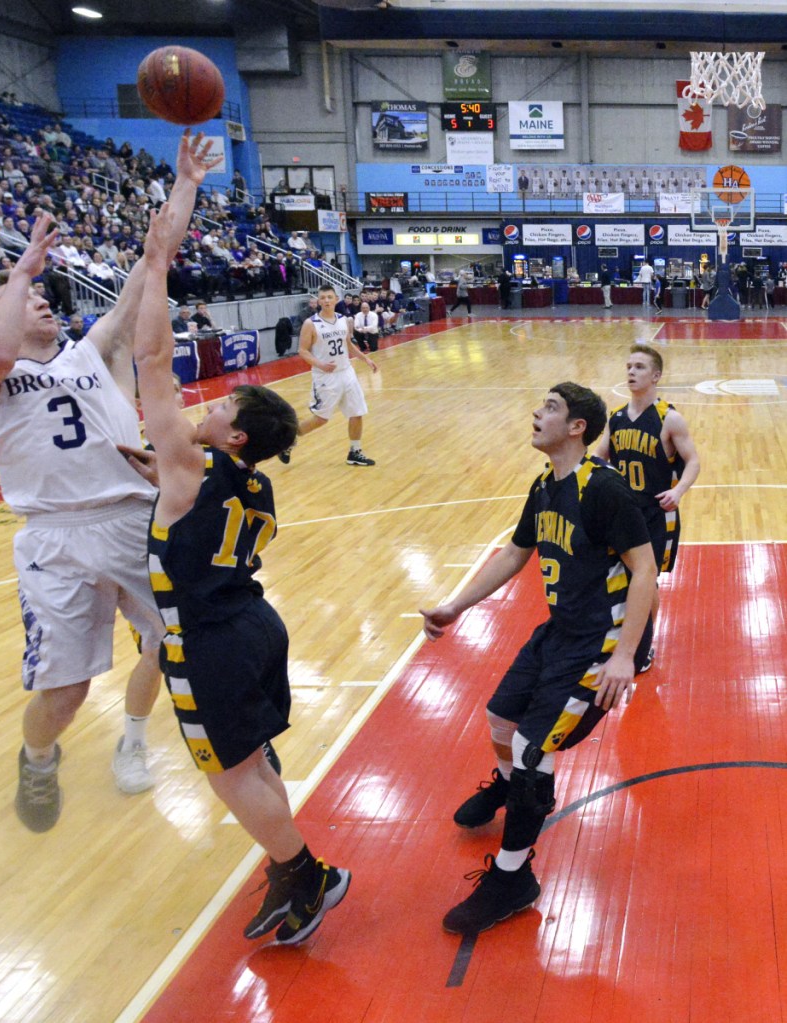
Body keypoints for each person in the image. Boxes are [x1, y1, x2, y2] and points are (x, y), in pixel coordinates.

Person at [0, 131, 219, 833]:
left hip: (132, 514)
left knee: (183, 640)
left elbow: (151, 262)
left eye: (42, 295)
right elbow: (3, 348)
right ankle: (37, 758)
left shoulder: (93, 350)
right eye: (27, 297)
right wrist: (15, 276)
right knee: (64, 691)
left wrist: (185, 181)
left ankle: (151, 741)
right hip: (53, 537)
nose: (43, 301)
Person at [130, 200, 351, 945]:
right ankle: (289, 867)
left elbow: (152, 362)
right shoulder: (253, 482)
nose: (208, 404)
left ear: (237, 435)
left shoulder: (192, 467)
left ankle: (305, 872)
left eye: (221, 404)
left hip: (208, 640)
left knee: (226, 774)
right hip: (256, 626)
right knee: (252, 760)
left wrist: (157, 263)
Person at [421, 382, 656, 935]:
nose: (536, 412)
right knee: (499, 719)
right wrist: (457, 605)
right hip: (559, 631)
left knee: (532, 746)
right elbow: (515, 551)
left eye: (550, 407)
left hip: (601, 641)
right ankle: (514, 788)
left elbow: (644, 570)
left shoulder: (605, 491)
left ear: (577, 427)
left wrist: (625, 658)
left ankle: (513, 877)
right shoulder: (545, 486)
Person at [594, 344, 700, 671]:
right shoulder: (617, 418)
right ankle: (631, 639)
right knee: (625, 579)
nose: (631, 372)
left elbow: (693, 461)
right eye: (628, 366)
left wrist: (679, 491)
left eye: (639, 367)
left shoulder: (670, 418)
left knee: (646, 580)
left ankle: (645, 644)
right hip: (624, 513)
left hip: (657, 513)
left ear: (656, 375)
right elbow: (599, 460)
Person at [279, 283, 378, 467]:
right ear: (318, 301)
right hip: (325, 377)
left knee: (357, 412)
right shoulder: (311, 324)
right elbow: (302, 350)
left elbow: (348, 344)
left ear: (336, 300)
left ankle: (355, 452)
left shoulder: (343, 319)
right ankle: (289, 439)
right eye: (322, 297)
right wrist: (321, 364)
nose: (326, 301)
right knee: (321, 419)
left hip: (346, 372)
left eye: (329, 297)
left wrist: (366, 359)